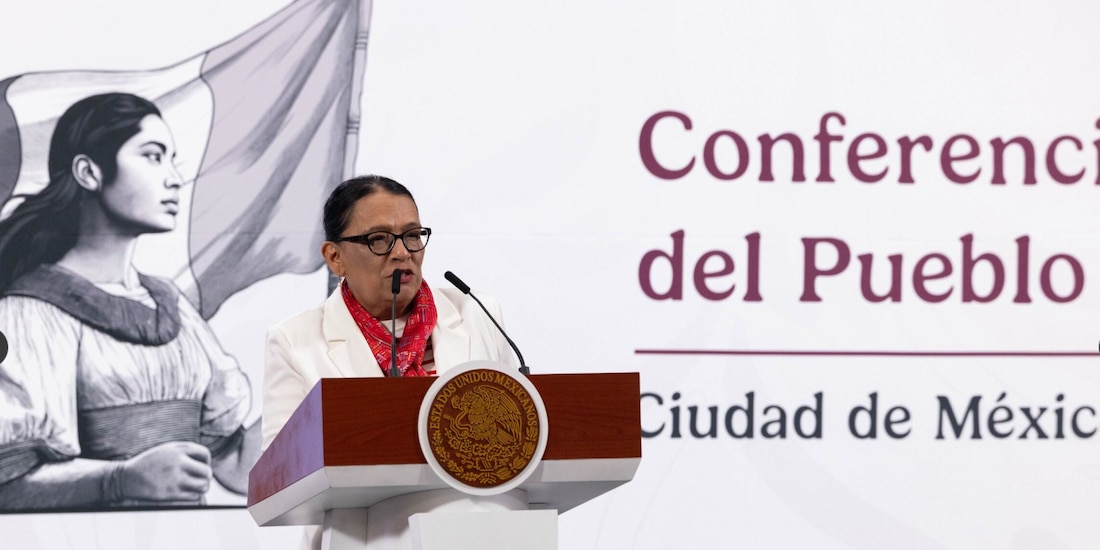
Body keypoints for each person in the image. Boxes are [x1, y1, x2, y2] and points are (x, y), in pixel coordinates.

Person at [0, 92, 260, 509]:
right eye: (153, 156)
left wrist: (317, 389)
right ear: (88, 172)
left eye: (172, 159)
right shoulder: (30, 311)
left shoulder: (169, 304)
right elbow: (8, 481)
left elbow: (236, 466)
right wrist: (120, 479)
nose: (174, 178)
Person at [261, 175, 515, 450]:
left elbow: (520, 430)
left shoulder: (478, 313)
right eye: (379, 239)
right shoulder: (294, 343)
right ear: (336, 258)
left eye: (412, 236)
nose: (402, 252)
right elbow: (283, 470)